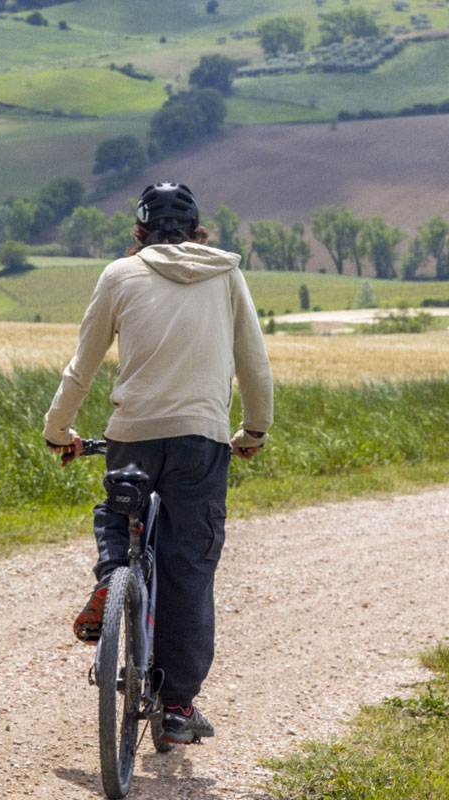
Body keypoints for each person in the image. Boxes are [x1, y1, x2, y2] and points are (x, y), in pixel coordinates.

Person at [44, 182, 273, 745]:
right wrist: (254, 430)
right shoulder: (226, 274)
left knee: (116, 512)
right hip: (202, 440)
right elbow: (255, 367)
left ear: (139, 234)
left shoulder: (119, 275)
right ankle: (177, 707)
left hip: (133, 434)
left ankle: (113, 576)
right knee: (190, 568)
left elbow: (83, 366)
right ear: (199, 233)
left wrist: (59, 431)